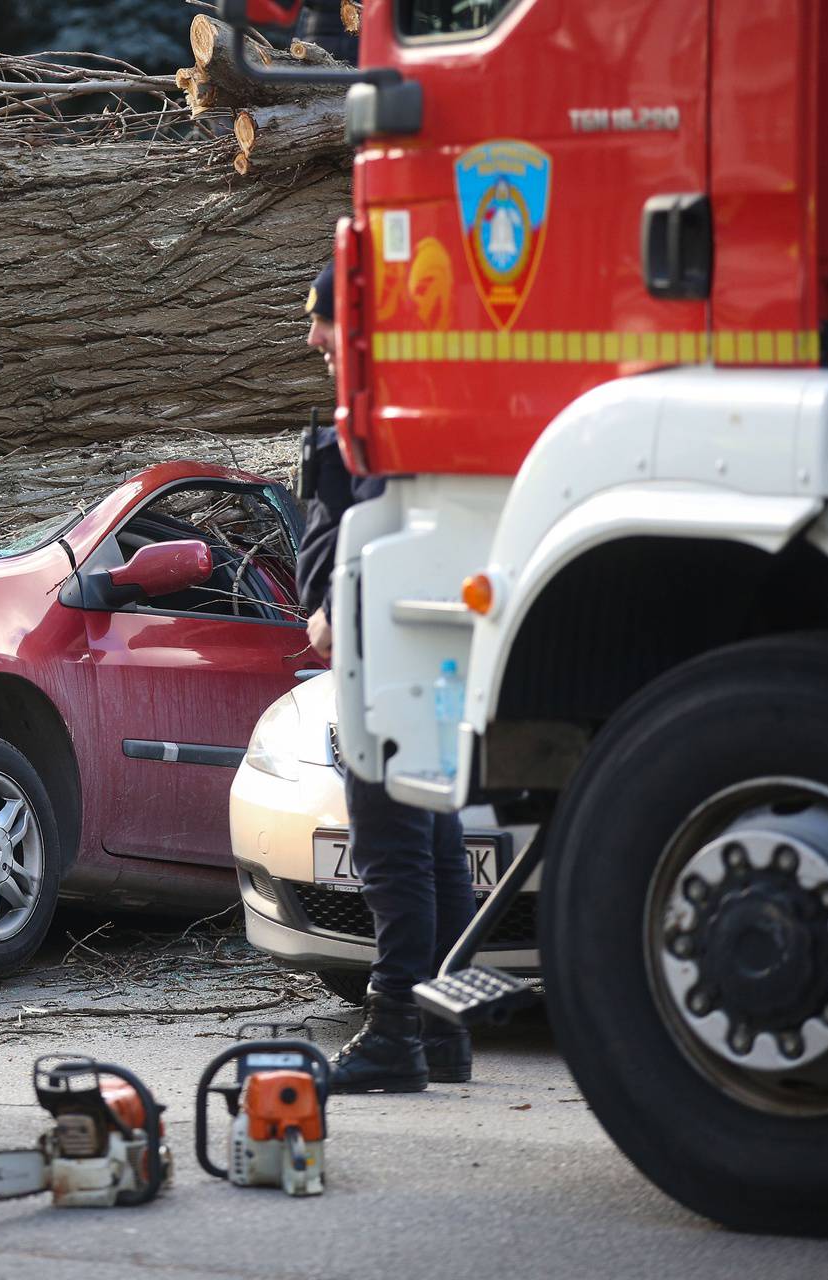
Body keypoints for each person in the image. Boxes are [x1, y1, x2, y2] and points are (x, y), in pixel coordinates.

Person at [296, 261, 475, 1093]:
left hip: (387, 650)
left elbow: (366, 540)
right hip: (421, 649)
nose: (312, 337)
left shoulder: (382, 419)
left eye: (322, 319)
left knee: (391, 848)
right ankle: (440, 1032)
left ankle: (395, 1032)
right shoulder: (410, 405)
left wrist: (335, 605)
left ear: (360, 324)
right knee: (433, 838)